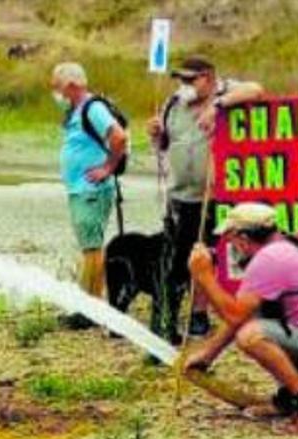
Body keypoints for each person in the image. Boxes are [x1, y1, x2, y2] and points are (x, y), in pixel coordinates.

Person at [184, 203, 298, 436]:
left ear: (243, 238)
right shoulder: (282, 249)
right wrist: (207, 356)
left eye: (230, 240)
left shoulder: (270, 259)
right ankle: (288, 400)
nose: (231, 247)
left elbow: (233, 315)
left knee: (252, 336)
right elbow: (242, 314)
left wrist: (205, 276)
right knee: (257, 319)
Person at [146, 56, 264, 340]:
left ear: (209, 77)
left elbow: (257, 90)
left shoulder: (226, 93)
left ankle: (202, 312)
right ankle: (171, 315)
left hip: (216, 194)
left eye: (191, 79)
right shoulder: (174, 104)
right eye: (181, 80)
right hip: (181, 193)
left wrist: (217, 106)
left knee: (211, 254)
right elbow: (164, 144)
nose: (184, 85)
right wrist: (155, 134)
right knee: (181, 256)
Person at [51, 62, 129, 329]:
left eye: (58, 87)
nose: (56, 93)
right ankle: (89, 303)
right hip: (80, 189)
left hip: (91, 191)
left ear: (72, 86)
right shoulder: (76, 110)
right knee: (89, 247)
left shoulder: (92, 108)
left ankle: (91, 310)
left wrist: (108, 167)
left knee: (92, 249)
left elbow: (118, 137)